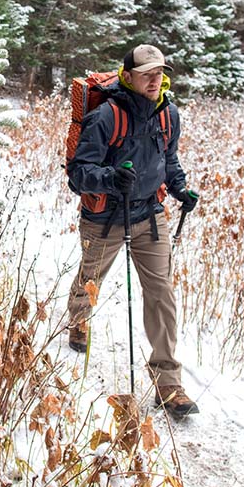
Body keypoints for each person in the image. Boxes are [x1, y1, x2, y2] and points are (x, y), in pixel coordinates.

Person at [65, 44, 201, 418]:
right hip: (105, 216)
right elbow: (78, 174)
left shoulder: (168, 114)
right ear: (129, 76)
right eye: (147, 73)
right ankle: (78, 321)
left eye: (159, 72)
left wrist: (180, 189)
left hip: (150, 215)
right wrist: (111, 178)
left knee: (161, 293)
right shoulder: (106, 117)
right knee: (91, 277)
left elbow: (167, 160)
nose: (155, 79)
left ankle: (169, 384)